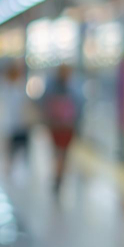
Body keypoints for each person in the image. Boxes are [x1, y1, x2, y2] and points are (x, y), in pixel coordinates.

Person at [42, 64, 83, 195]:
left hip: (56, 126)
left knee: (58, 153)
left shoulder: (51, 86)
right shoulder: (74, 87)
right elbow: (80, 108)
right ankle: (59, 175)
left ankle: (58, 175)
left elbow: (43, 103)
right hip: (67, 127)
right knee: (63, 154)